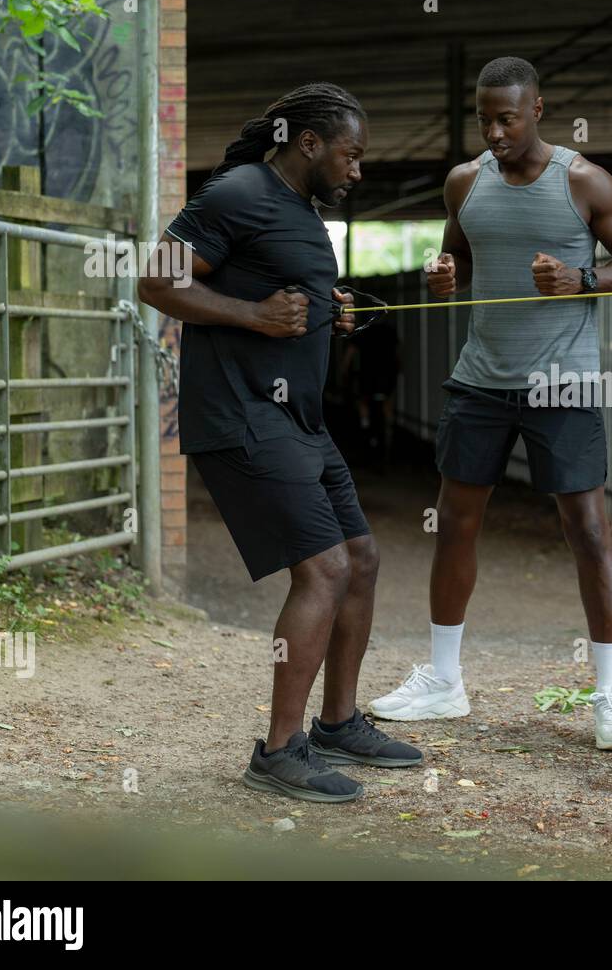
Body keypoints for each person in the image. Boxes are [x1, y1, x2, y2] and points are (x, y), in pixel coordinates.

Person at [139, 83, 422, 804]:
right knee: (323, 569)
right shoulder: (238, 190)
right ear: (310, 144)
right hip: (240, 415)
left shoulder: (298, 210)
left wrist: (331, 312)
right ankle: (277, 750)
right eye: (351, 156)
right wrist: (254, 315)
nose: (358, 171)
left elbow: (282, 291)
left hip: (298, 417)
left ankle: (336, 723)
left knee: (360, 557)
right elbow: (153, 279)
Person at [369, 57, 612, 750]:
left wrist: (581, 276)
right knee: (457, 523)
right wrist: (443, 276)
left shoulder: (583, 181)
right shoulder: (464, 182)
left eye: (508, 117)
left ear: (538, 110)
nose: (495, 131)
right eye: (484, 119)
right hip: (481, 380)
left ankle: (610, 696)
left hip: (564, 382)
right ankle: (444, 683)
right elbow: (457, 265)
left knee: (588, 530)